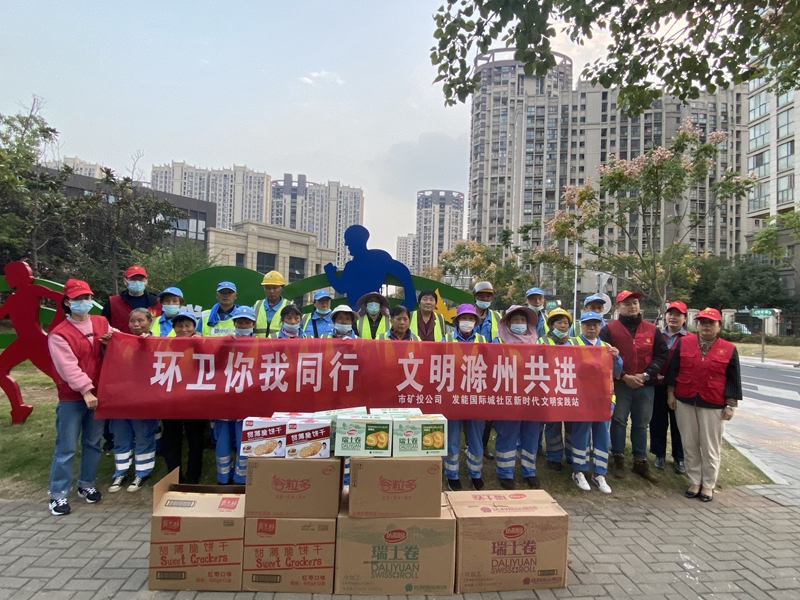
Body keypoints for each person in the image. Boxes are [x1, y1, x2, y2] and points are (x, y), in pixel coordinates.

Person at [47, 279, 113, 516]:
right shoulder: (59, 334)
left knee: (93, 443)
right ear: (67, 302)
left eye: (87, 298)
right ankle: (58, 494)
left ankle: (86, 483)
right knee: (66, 447)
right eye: (78, 299)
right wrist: (86, 390)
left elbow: (118, 340)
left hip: (98, 394)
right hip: (72, 398)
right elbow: (68, 367)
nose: (83, 303)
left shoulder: (101, 322)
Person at [666, 308, 741, 502]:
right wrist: (671, 393)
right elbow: (674, 370)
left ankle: (708, 484)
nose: (706, 326)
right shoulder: (684, 343)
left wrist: (730, 405)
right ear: (696, 325)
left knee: (710, 446)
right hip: (685, 399)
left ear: (719, 326)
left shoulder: (728, 348)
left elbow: (733, 379)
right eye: (702, 322)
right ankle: (694, 481)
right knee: (689, 443)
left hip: (713, 402)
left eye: (711, 323)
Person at [600, 290, 668, 483]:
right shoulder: (609, 329)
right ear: (618, 307)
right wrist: (623, 376)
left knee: (641, 423)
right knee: (619, 420)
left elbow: (661, 355)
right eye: (627, 303)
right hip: (621, 384)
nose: (632, 306)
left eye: (635, 303)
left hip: (645, 384)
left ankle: (640, 460)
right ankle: (618, 458)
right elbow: (602, 356)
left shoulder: (651, 329)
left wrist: (646, 375)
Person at [0, 261, 66, 424]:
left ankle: (80, 406)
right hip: (23, 343)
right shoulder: (12, 299)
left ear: (18, 276)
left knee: (60, 379)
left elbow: (61, 299)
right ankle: (19, 409)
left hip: (36, 342)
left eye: (8, 276)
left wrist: (55, 323)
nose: (6, 279)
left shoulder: (33, 290)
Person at [442, 304, 498, 491]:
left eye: (471, 318)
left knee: (475, 436)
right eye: (464, 318)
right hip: (452, 394)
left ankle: (476, 473)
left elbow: (490, 366)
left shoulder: (483, 340)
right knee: (452, 436)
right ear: (457, 321)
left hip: (476, 394)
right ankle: (452, 474)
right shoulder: (447, 339)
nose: (467, 322)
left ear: (475, 321)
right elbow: (437, 363)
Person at [569, 312, 623, 494]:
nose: (592, 328)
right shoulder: (572, 344)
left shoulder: (607, 347)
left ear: (601, 326)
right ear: (581, 326)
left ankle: (599, 473)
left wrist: (617, 358)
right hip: (582, 398)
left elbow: (617, 372)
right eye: (588, 324)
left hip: (604, 398)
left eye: (595, 324)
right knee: (581, 433)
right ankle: (579, 471)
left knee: (602, 435)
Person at [108, 308, 158, 493]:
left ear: (150, 322)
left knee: (143, 434)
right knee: (121, 435)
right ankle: (120, 472)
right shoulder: (121, 342)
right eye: (132, 321)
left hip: (144, 398)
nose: (136, 324)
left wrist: (148, 344)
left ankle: (142, 473)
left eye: (141, 320)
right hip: (122, 398)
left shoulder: (158, 343)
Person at [494, 305, 541, 489]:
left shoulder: (537, 341)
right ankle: (505, 472)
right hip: (508, 393)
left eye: (523, 320)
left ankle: (529, 471)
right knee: (508, 432)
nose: (520, 323)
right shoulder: (498, 341)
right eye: (516, 320)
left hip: (531, 394)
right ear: (508, 322)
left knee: (531, 433)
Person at [324, 224, 416, 310]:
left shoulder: (352, 266)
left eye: (349, 243)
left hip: (360, 310)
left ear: (357, 242)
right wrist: (410, 299)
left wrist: (330, 273)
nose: (346, 245)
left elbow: (341, 288)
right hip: (374, 309)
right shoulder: (379, 258)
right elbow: (403, 272)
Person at [161, 311, 207, 484]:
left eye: (188, 325)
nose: (183, 329)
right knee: (172, 439)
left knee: (195, 439)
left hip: (196, 399)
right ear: (173, 328)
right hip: (171, 400)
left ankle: (193, 477)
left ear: (194, 328)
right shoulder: (164, 345)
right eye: (179, 326)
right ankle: (174, 476)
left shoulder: (203, 344)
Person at [213, 306, 255, 484]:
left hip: (248, 398)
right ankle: (223, 476)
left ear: (253, 324)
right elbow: (214, 364)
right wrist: (224, 345)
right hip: (226, 396)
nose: (243, 326)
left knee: (244, 436)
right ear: (234, 323)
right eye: (240, 322)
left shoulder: (262, 344)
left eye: (247, 323)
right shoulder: (225, 342)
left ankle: (242, 476)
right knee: (222, 437)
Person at [650, 301, 691, 474]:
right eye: (670, 314)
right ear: (665, 316)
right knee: (658, 422)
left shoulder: (690, 339)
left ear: (685, 318)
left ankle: (679, 457)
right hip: (657, 385)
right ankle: (659, 454)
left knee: (679, 423)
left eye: (678, 315)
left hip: (679, 388)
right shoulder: (657, 335)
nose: (673, 317)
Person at [537, 308, 577, 472]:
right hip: (550, 389)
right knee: (552, 424)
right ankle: (553, 457)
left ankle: (571, 455)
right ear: (551, 325)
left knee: (571, 424)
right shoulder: (541, 342)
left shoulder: (574, 343)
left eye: (565, 323)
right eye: (559, 322)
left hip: (570, 389)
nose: (562, 326)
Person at [473, 281, 501, 460]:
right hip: (470, 366)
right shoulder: (466, 314)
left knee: (489, 407)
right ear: (475, 297)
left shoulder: (497, 317)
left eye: (488, 296)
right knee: (471, 405)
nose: (485, 298)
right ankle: (471, 443)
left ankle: (483, 444)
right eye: (481, 295)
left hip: (491, 367)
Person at [101, 265, 161, 334]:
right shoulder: (113, 303)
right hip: (122, 340)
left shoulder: (157, 303)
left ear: (146, 281)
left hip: (151, 340)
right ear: (125, 281)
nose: (137, 282)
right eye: (133, 279)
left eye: (140, 279)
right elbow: (103, 327)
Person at [254, 271, 292, 337]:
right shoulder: (257, 305)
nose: (271, 291)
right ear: (264, 289)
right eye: (268, 288)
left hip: (280, 343)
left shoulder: (290, 306)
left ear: (282, 288)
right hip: (259, 343)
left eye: (275, 288)